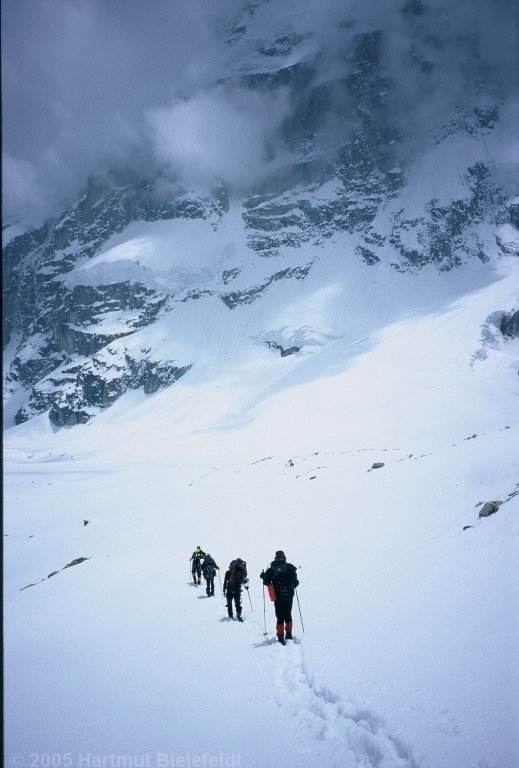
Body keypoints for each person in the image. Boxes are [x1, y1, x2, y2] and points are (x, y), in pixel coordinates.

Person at [261, 550, 299, 644]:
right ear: (284, 557)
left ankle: (280, 636)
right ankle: (289, 634)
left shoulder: (271, 569)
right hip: (289, 596)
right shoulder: (290, 567)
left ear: (275, 557)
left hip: (277, 597)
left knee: (279, 617)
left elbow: (266, 582)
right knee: (288, 614)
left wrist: (263, 576)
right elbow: (296, 582)